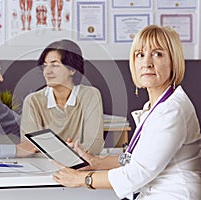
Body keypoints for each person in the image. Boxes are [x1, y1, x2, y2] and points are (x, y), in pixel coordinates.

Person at [52, 25, 201, 199]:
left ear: (173, 62)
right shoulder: (156, 106)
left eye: (158, 54)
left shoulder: (172, 111)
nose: (146, 63)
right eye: (140, 55)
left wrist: (83, 179)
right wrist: (95, 162)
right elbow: (137, 159)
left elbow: (137, 173)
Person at [20, 39, 104, 155]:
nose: (47, 71)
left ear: (72, 69)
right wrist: (70, 149)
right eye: (45, 66)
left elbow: (95, 145)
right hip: (41, 168)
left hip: (79, 167)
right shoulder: (33, 101)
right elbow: (29, 147)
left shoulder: (90, 95)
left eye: (55, 65)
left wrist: (60, 151)